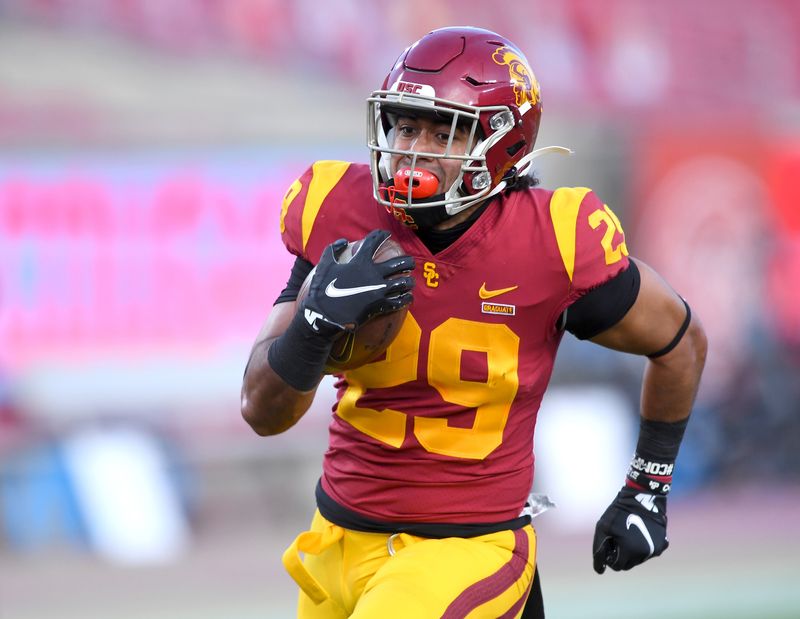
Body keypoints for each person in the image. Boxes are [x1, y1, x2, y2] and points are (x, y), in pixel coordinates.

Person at [241, 26, 707, 619]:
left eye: (444, 133)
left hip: (466, 549)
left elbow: (681, 343)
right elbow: (262, 411)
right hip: (336, 540)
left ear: (500, 145)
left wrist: (648, 486)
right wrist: (311, 325)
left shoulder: (555, 240)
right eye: (406, 126)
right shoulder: (339, 210)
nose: (413, 150)